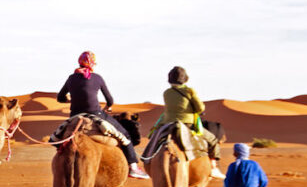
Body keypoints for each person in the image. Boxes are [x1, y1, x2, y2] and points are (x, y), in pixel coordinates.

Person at [57, 51, 149, 179]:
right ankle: (133, 167)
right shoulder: (97, 78)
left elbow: (60, 98)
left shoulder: (71, 78)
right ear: (92, 64)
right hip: (95, 113)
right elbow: (110, 100)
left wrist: (70, 99)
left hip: (75, 114)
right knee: (125, 136)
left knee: (58, 138)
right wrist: (108, 107)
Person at [155, 66, 226, 179]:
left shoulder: (166, 93)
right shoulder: (189, 91)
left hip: (168, 123)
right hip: (186, 124)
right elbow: (200, 108)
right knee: (212, 140)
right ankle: (213, 167)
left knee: (154, 137)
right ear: (184, 79)